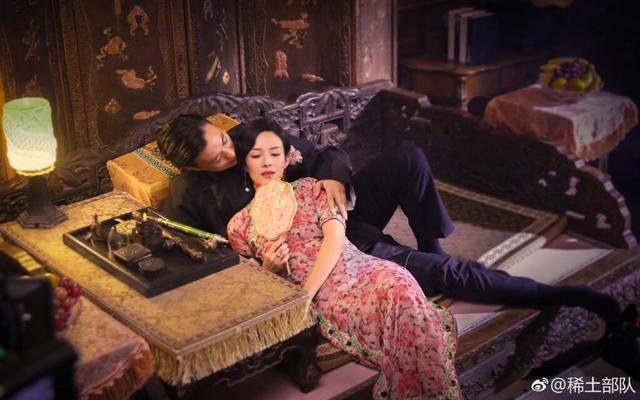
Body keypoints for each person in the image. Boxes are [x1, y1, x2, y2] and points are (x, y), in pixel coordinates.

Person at [157, 115, 621, 322]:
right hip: (331, 253)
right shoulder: (189, 197)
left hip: (338, 214)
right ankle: (566, 296)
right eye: (216, 158)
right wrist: (265, 268)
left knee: (408, 156)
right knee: (453, 274)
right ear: (195, 168)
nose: (230, 152)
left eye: (223, 140)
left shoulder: (251, 135)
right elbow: (208, 261)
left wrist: (333, 178)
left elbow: (326, 153)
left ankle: (429, 246)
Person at [226, 122, 462, 399]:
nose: (267, 162)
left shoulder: (311, 188)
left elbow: (336, 238)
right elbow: (253, 287)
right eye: (256, 155)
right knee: (403, 315)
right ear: (245, 164)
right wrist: (270, 270)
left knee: (400, 285)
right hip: (328, 296)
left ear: (287, 159)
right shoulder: (239, 225)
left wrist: (304, 296)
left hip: (360, 269)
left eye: (275, 153)